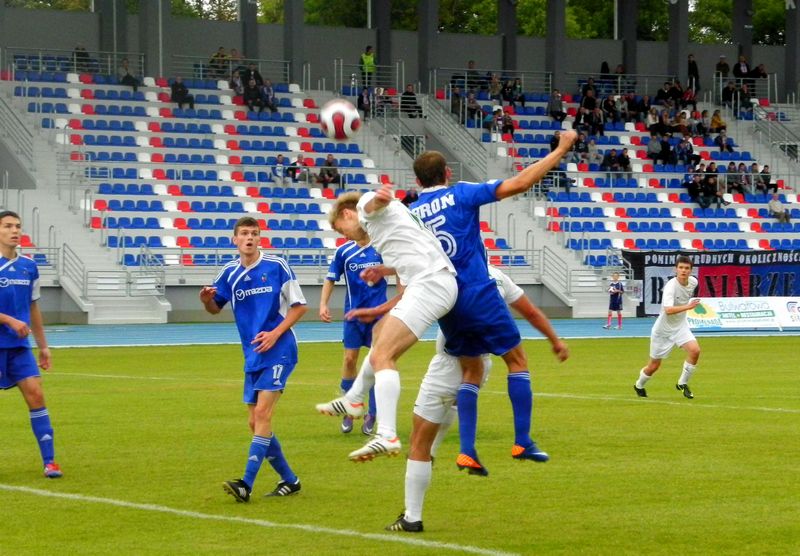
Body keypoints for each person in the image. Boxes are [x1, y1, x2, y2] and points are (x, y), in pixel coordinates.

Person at [407, 132, 577, 475]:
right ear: (447, 175)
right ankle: (522, 441)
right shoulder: (462, 193)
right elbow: (519, 183)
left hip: (446, 303)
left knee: (471, 370)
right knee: (517, 360)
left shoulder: (411, 214)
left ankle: (467, 450)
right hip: (477, 291)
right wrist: (561, 148)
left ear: (417, 181)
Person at [385, 265, 569, 533]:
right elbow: (529, 311)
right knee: (437, 434)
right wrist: (555, 340)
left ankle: (412, 517)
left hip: (449, 366)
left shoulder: (444, 278)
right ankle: (476, 448)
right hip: (483, 365)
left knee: (418, 442)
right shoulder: (494, 274)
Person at [314, 186, 458, 462]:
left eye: (341, 229)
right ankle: (354, 399)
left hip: (431, 283)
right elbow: (411, 256)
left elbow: (374, 202)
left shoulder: (365, 207)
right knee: (380, 336)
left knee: (382, 355)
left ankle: (387, 434)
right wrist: (384, 270)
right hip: (433, 282)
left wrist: (382, 196)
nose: (344, 235)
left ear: (347, 214)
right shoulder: (385, 233)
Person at [199, 216, 308, 502]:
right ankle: (290, 480)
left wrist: (274, 333)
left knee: (263, 415)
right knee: (255, 423)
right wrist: (205, 300)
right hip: (253, 353)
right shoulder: (228, 273)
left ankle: (246, 483)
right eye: (244, 233)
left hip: (280, 347)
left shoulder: (276, 266)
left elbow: (299, 307)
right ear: (234, 240)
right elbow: (214, 308)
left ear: (260, 238)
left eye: (254, 233)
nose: (249, 238)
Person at [0, 210, 60, 479]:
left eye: (18, 226)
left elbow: (33, 307)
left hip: (19, 347)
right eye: (8, 226)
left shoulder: (28, 266)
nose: (15, 230)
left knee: (36, 395)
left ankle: (50, 462)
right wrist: (9, 320)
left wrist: (43, 345)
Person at [319, 237, 387, 436]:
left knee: (375, 362)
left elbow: (398, 270)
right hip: (353, 314)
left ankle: (372, 414)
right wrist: (323, 304)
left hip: (377, 315)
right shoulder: (344, 251)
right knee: (349, 360)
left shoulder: (381, 246)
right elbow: (330, 278)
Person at [634, 255, 701, 400]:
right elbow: (668, 310)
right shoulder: (671, 286)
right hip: (662, 331)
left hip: (680, 326)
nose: (683, 271)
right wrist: (689, 306)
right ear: (675, 269)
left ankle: (682, 383)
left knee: (695, 351)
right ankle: (639, 385)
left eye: (686, 268)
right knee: (653, 366)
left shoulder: (693, 282)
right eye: (681, 268)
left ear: (691, 270)